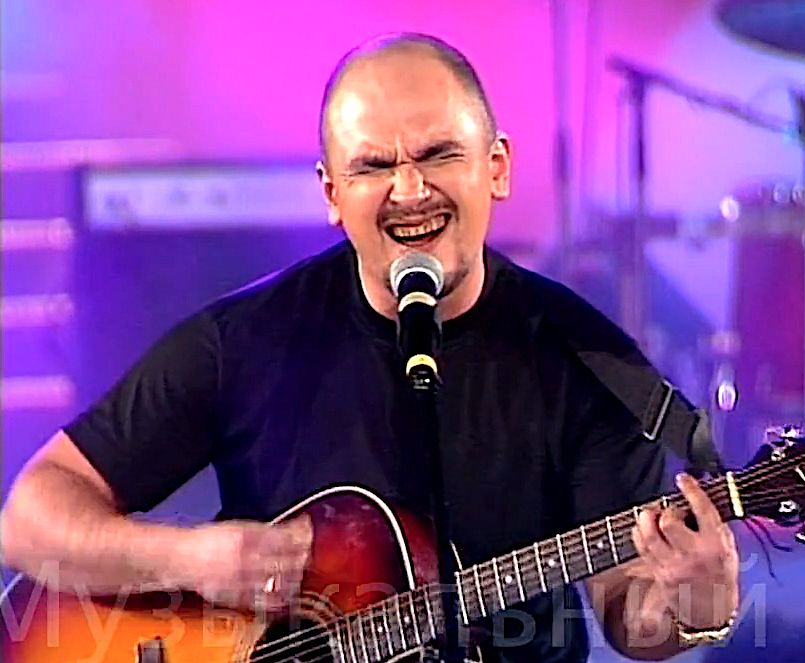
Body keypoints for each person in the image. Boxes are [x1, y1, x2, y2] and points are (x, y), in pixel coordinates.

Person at [0, 33, 740, 662]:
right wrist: (190, 559)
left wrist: (693, 606)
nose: (409, 191)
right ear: (331, 193)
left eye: (438, 154)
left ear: (497, 168)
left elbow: (628, 609)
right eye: (374, 166)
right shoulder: (247, 338)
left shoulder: (590, 363)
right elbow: (29, 517)